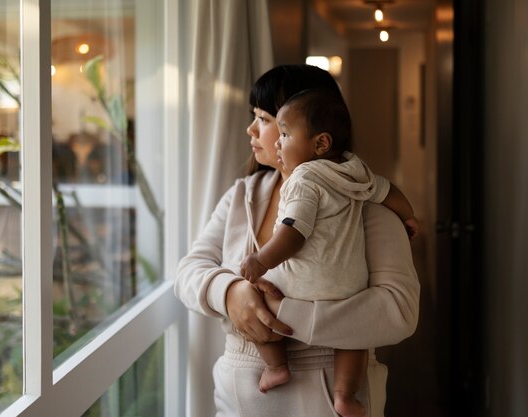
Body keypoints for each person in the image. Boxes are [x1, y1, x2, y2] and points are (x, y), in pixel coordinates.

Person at [175, 64, 420, 417]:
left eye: (263, 118)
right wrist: (231, 295)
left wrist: (279, 314)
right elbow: (188, 271)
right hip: (236, 395)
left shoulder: (361, 200)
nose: (251, 129)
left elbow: (399, 310)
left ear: (315, 133)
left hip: (325, 395)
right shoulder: (241, 194)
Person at [239, 87, 419, 417]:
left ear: (320, 143)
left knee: (254, 296)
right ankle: (344, 396)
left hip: (301, 286)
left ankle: (276, 366)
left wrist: (260, 260)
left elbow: (293, 234)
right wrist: (408, 216)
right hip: (349, 284)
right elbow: (387, 190)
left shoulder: (304, 178)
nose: (278, 142)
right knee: (354, 338)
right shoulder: (355, 169)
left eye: (284, 133)